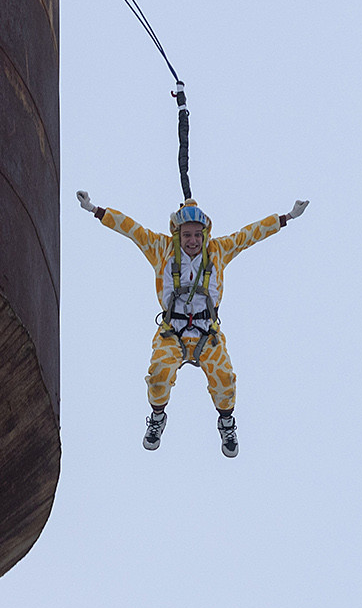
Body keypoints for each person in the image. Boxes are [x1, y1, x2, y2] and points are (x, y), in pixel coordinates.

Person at [77, 191, 309, 456]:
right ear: (177, 234)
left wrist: (287, 217)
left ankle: (226, 421)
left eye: (198, 235)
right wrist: (95, 209)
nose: (193, 241)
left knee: (225, 379)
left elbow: (249, 235)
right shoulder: (161, 248)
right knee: (158, 376)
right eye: (187, 235)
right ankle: (157, 418)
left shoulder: (217, 250)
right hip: (172, 332)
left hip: (206, 332)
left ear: (205, 234)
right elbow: (132, 229)